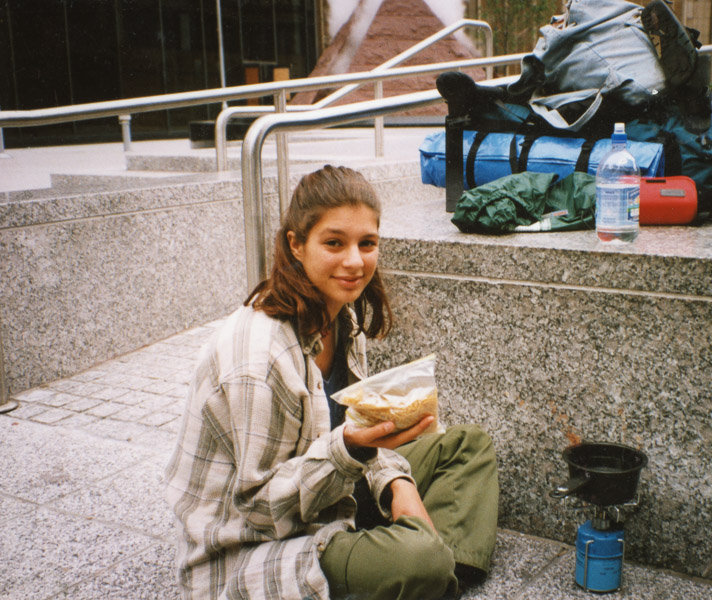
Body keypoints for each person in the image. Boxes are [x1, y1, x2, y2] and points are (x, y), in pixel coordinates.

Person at [164, 165, 499, 600]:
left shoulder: (343, 314)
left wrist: (397, 483)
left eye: (367, 243)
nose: (355, 262)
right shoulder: (259, 356)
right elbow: (259, 512)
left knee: (468, 446)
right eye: (334, 243)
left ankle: (432, 576)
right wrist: (355, 452)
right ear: (296, 244)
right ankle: (424, 568)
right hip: (251, 548)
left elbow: (353, 427)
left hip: (325, 492)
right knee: (418, 559)